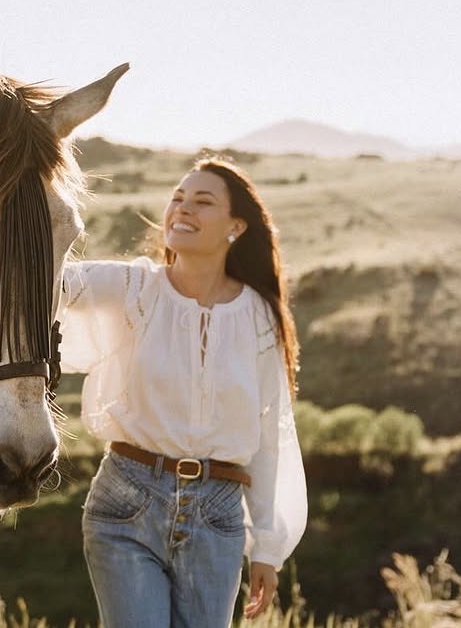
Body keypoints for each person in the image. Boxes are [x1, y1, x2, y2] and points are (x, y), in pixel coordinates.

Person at [58, 156, 307, 627]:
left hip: (217, 516)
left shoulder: (258, 316)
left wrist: (268, 548)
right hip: (127, 503)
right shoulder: (135, 286)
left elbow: (270, 435)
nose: (183, 208)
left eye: (202, 201)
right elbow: (48, 282)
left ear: (236, 226)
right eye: (177, 198)